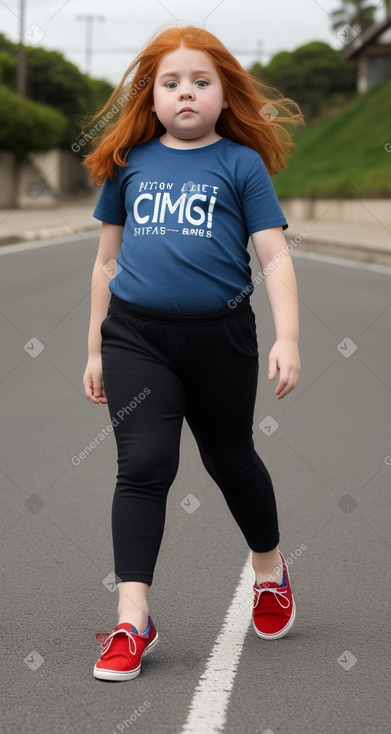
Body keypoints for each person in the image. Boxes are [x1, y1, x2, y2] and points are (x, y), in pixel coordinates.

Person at [82, 24, 303, 682]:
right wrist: (95, 345)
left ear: (223, 95)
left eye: (200, 82)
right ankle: (132, 620)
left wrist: (288, 335)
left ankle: (268, 569)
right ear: (148, 99)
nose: (185, 94)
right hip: (136, 336)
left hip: (221, 338)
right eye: (170, 83)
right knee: (143, 464)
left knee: (230, 459)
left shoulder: (240, 164)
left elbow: (274, 255)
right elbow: (106, 262)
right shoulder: (129, 166)